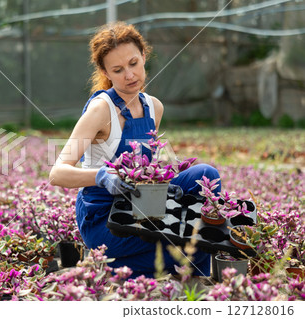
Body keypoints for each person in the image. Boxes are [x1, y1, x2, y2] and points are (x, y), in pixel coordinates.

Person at [49, 22, 221, 278]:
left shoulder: (154, 107)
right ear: (105, 71)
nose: (129, 75)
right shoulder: (100, 110)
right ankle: (117, 263)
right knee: (180, 243)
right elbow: (57, 173)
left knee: (206, 175)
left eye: (133, 63)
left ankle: (184, 270)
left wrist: (163, 182)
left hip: (140, 207)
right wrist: (101, 176)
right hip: (104, 218)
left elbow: (147, 168)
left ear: (144, 56)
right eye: (117, 70)